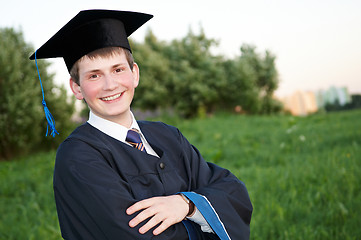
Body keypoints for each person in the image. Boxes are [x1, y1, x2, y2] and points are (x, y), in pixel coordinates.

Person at [30, 9, 252, 240]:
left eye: (118, 70)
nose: (110, 85)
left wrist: (186, 205)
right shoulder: (77, 156)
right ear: (77, 88)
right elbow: (133, 233)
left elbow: (232, 191)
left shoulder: (167, 135)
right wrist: (204, 214)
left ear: (134, 74)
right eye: (94, 76)